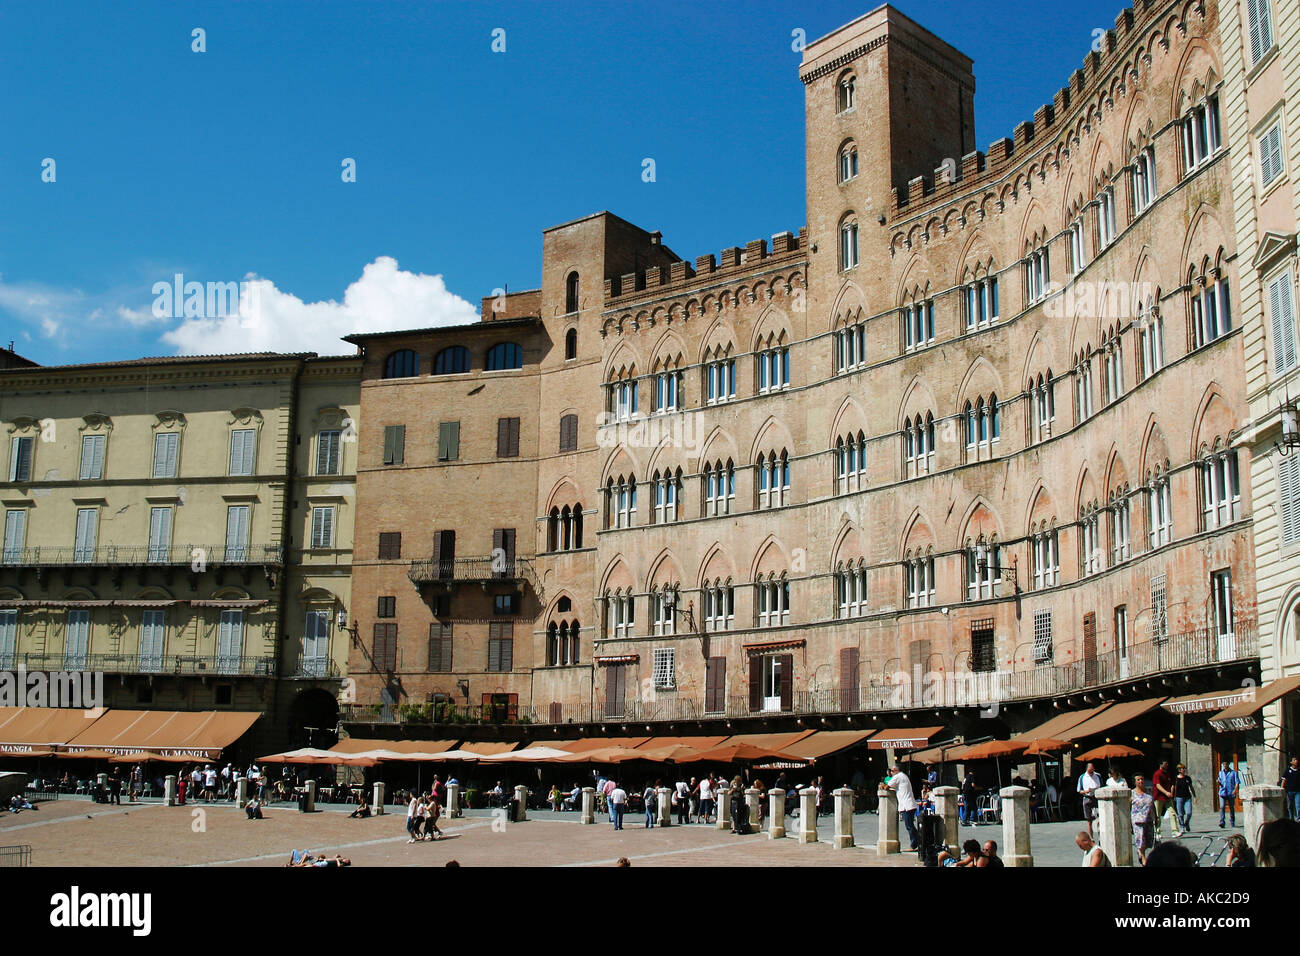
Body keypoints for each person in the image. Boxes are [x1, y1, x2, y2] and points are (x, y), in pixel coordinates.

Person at [890, 764, 919, 851]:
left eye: (892, 771)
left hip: (907, 805)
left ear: (896, 770)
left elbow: (888, 786)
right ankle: (918, 841)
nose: (891, 773)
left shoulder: (898, 776)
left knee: (909, 826)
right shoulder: (903, 776)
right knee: (910, 825)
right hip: (909, 804)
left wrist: (883, 786)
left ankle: (914, 844)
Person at [1130, 774, 1156, 865]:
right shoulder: (1131, 793)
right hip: (1137, 821)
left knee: (1148, 840)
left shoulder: (1149, 791)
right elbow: (1127, 806)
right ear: (1135, 782)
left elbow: (1153, 804)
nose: (1140, 781)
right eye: (1138, 779)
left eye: (1142, 779)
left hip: (1148, 819)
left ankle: (1141, 852)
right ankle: (1143, 858)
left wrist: (1156, 818)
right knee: (1140, 839)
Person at [1076, 762, 1102, 836]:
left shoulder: (1098, 776)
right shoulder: (1082, 777)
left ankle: (1100, 836)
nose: (1091, 772)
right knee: (1089, 820)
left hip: (1096, 798)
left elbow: (1102, 786)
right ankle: (1091, 837)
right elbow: (1079, 790)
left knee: (1099, 819)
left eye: (1092, 770)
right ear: (1087, 769)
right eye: (1089, 771)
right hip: (1087, 798)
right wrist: (1086, 791)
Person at [1151, 760, 1174, 837]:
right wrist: (1166, 792)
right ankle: (1157, 832)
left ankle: (1175, 831)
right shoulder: (1157, 774)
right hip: (1158, 797)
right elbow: (1158, 785)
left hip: (1167, 797)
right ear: (1161, 764)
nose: (1167, 765)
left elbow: (1170, 784)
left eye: (1167, 763)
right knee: (1158, 816)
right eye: (1165, 763)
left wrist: (1171, 792)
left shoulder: (1167, 773)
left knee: (1173, 813)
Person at [1172, 764, 1196, 835]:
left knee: (1189, 812)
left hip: (1187, 797)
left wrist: (1194, 796)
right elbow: (1173, 788)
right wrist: (1172, 796)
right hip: (1179, 797)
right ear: (1179, 770)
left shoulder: (1187, 778)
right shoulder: (1176, 779)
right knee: (1180, 814)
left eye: (1184, 768)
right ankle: (1182, 826)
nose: (1184, 770)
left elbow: (1191, 787)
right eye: (1182, 768)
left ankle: (1186, 823)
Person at [1217, 760, 1240, 829]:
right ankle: (1222, 821)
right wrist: (1218, 783)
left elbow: (1237, 782)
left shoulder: (1233, 773)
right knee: (1222, 807)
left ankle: (1232, 820)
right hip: (1222, 792)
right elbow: (1220, 782)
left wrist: (1235, 790)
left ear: (1228, 764)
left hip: (1230, 792)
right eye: (1224, 764)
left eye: (1226, 764)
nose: (1225, 765)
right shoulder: (1221, 773)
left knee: (1231, 807)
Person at [1279, 757, 1300, 821]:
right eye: (1294, 760)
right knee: (1290, 805)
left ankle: (1299, 818)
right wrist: (1282, 789)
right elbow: (1284, 780)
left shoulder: (1299, 770)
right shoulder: (1288, 770)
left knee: (1298, 805)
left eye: (1296, 760)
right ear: (1292, 762)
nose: (1296, 761)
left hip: (1298, 791)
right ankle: (1291, 819)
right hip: (1289, 791)